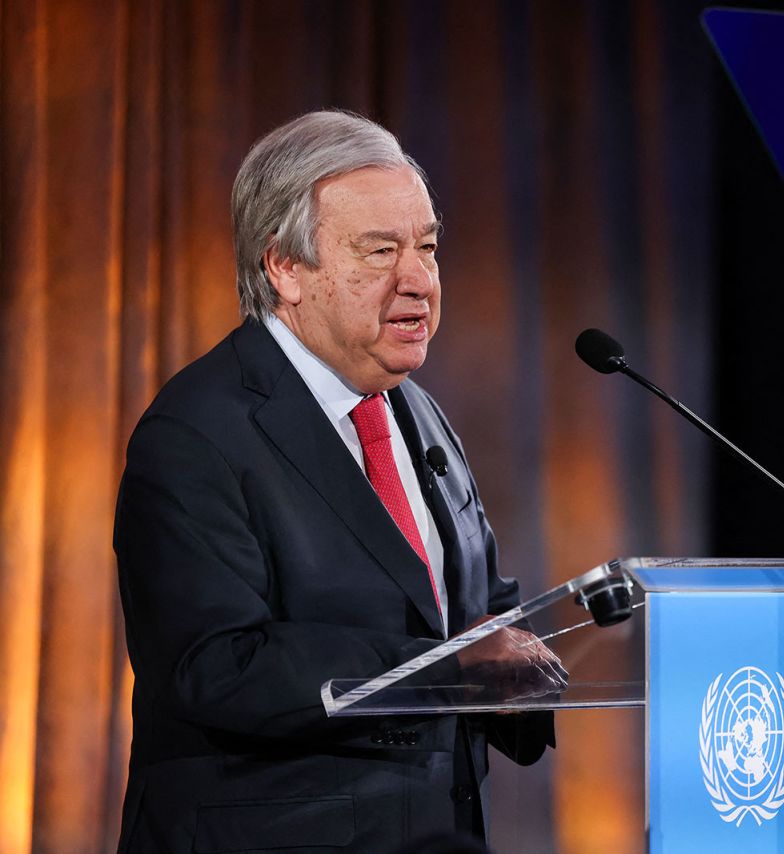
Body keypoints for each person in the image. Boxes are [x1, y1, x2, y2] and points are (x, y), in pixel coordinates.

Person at [114, 110, 561, 852]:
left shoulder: (415, 412)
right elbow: (214, 666)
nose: (417, 279)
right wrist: (443, 668)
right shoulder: (198, 432)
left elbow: (474, 610)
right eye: (379, 250)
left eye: (427, 247)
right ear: (285, 269)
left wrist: (525, 661)